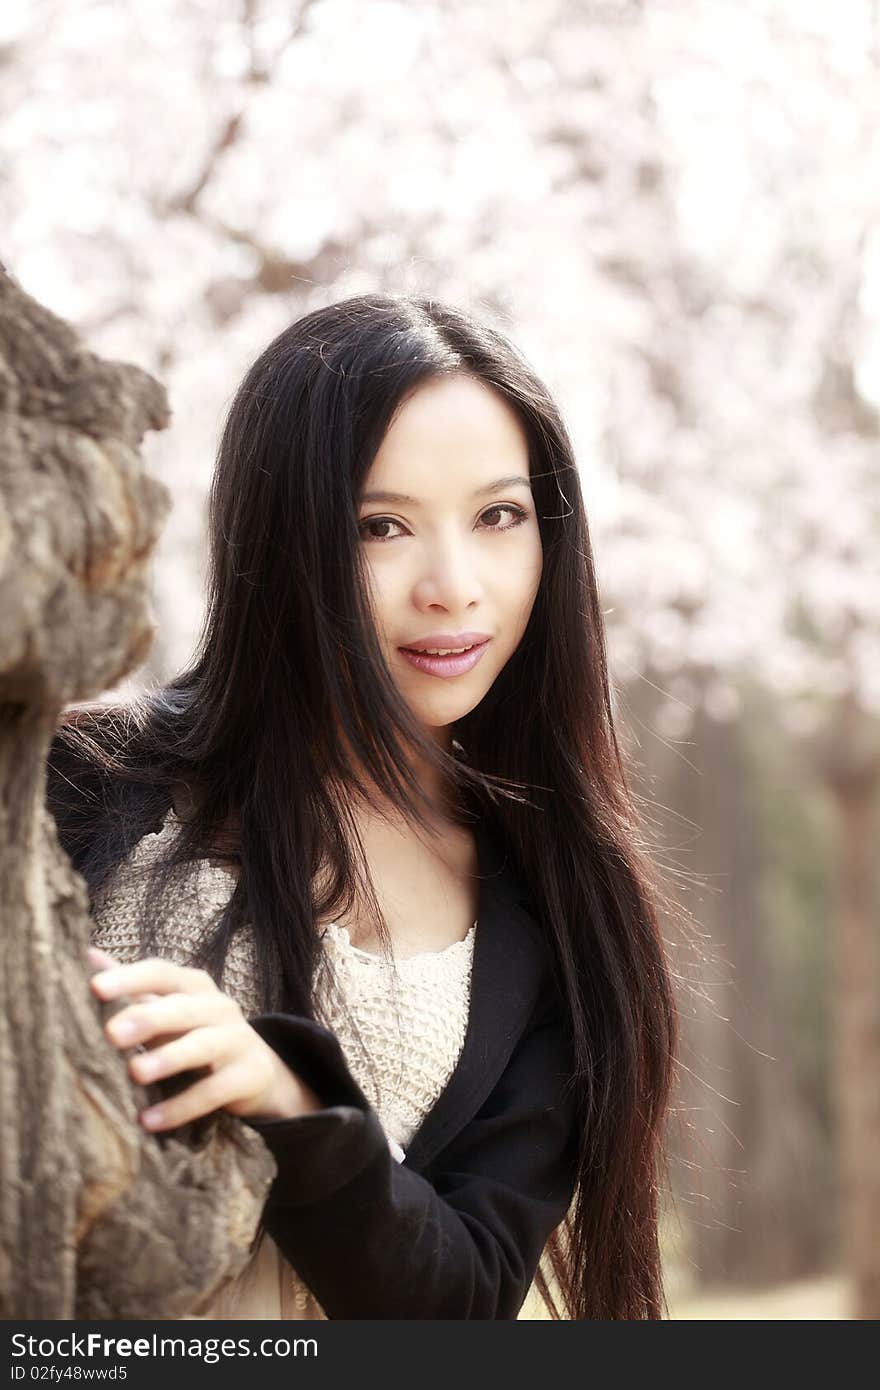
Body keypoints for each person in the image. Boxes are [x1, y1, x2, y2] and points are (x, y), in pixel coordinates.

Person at [47, 293, 679, 1320]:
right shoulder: (84, 784)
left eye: (498, 516)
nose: (453, 586)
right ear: (282, 537)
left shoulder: (557, 905)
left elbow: (460, 1302)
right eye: (381, 526)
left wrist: (295, 1103)